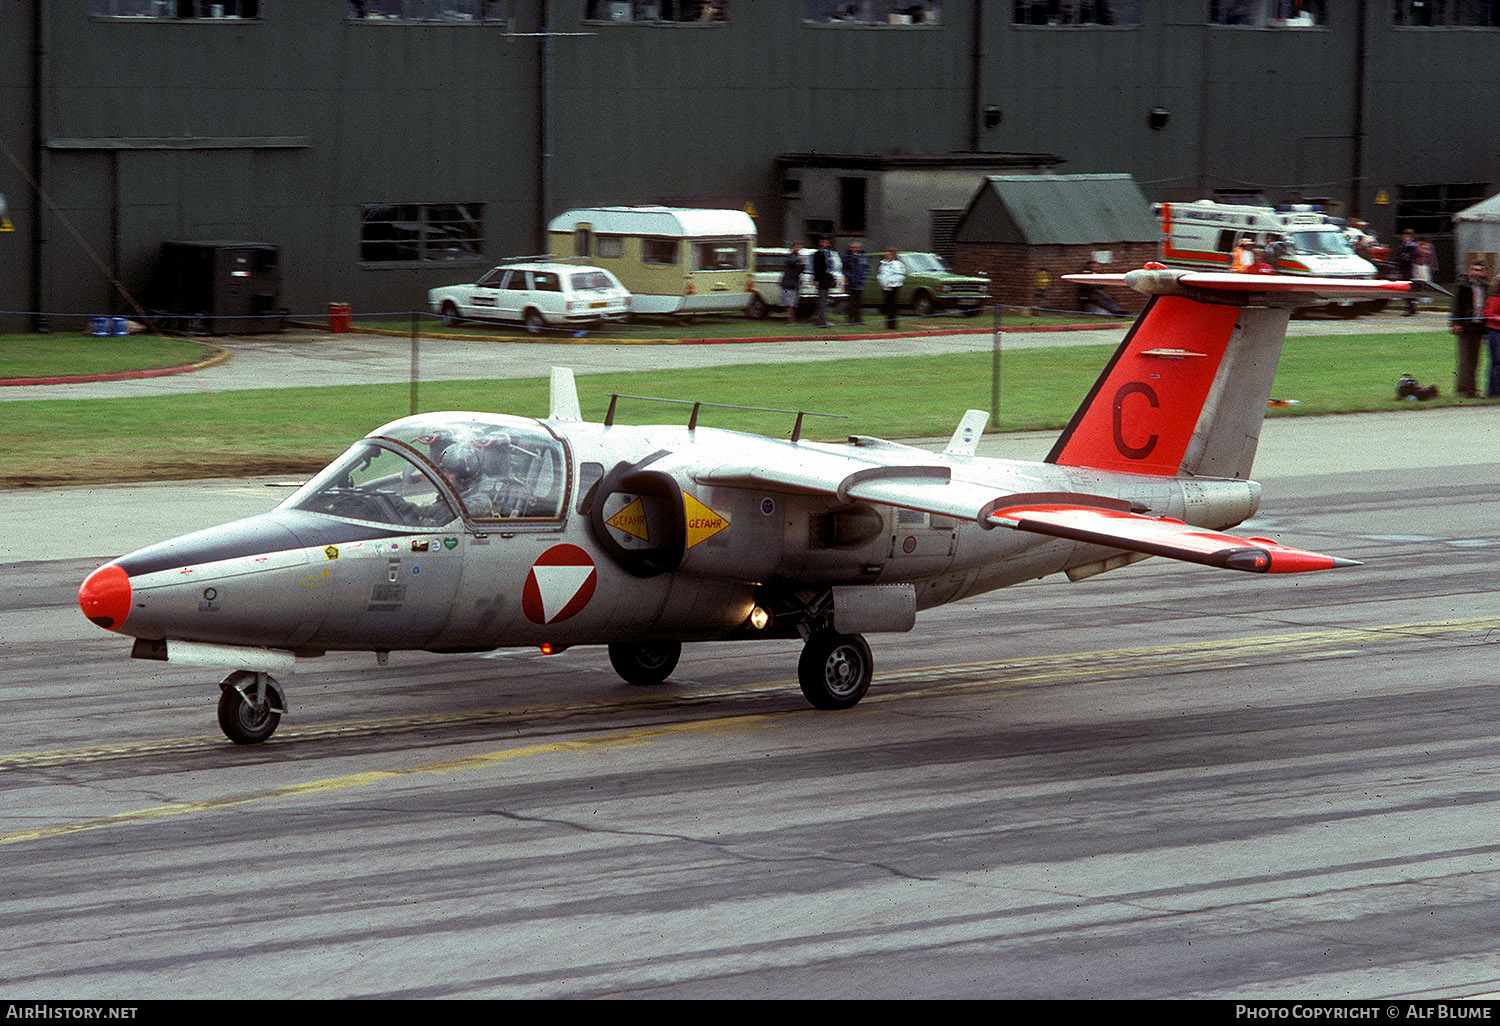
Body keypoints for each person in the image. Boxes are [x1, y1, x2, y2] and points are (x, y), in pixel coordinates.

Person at [1450, 259, 1490, 398]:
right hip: (1465, 326)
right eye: (1474, 270)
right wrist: (1455, 323)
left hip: (1478, 327)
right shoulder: (1463, 285)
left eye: (1479, 270)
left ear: (1484, 272)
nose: (1476, 273)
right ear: (1470, 270)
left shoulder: (1485, 286)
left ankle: (1469, 389)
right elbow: (1455, 304)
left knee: (1474, 360)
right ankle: (1466, 390)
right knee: (1465, 360)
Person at [811, 237, 838, 327]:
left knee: (825, 301)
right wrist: (816, 280)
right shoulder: (818, 254)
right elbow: (816, 268)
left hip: (827, 278)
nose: (825, 244)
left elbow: (830, 268)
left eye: (826, 242)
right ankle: (821, 321)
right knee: (822, 301)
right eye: (823, 242)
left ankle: (821, 319)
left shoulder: (830, 254)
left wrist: (832, 279)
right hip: (821, 279)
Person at [877, 248, 906, 329]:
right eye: (887, 254)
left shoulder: (897, 264)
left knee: (893, 306)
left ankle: (893, 325)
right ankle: (888, 324)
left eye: (890, 254)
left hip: (894, 287)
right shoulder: (883, 264)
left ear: (893, 255)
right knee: (887, 306)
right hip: (886, 287)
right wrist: (882, 281)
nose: (888, 256)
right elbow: (880, 274)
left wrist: (891, 281)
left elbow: (900, 275)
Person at [1393, 229, 1420, 314]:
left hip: (1408, 269)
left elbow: (1412, 257)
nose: (1404, 238)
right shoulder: (1404, 246)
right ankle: (1411, 306)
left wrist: (1403, 258)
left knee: (1407, 288)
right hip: (1403, 269)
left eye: (1406, 236)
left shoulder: (1411, 247)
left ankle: (1411, 307)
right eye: (1404, 236)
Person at [842, 242, 869, 324]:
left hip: (860, 282)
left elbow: (867, 268)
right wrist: (850, 277)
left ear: (859, 248)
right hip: (851, 282)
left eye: (856, 247)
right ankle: (850, 319)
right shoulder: (847, 257)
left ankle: (858, 319)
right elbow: (844, 269)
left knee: (859, 302)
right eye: (852, 247)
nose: (854, 249)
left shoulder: (864, 257)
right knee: (851, 302)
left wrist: (863, 276)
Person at [779, 243, 804, 326]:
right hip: (788, 283)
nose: (798, 248)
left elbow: (801, 268)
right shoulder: (790, 256)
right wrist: (798, 260)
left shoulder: (799, 257)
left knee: (793, 303)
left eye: (799, 247)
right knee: (788, 302)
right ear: (793, 247)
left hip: (795, 283)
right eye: (796, 246)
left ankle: (792, 319)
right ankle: (790, 320)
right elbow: (790, 262)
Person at [1486, 275, 1500, 398]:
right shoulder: (1493, 298)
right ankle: (1494, 392)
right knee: (1496, 362)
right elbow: (1488, 314)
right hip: (1495, 332)